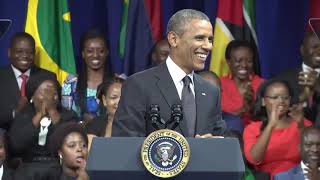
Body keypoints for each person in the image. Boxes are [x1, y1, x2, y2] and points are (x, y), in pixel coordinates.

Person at [112, 9, 226, 137]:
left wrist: (211, 145)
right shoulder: (138, 85)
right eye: (200, 38)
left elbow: (220, 144)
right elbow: (125, 143)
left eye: (210, 40)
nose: (208, 46)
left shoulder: (211, 92)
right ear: (173, 39)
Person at [9, 72, 76, 180]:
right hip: (28, 167)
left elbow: (69, 142)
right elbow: (16, 145)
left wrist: (52, 111)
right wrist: (39, 115)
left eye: (53, 93)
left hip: (58, 166)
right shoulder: (23, 116)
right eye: (44, 93)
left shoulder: (68, 115)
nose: (49, 98)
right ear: (32, 97)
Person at [243, 79, 312, 176]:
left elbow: (312, 155)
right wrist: (270, 125)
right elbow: (254, 159)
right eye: (275, 97)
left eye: (285, 98)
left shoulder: (302, 122)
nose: (281, 101)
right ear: (263, 101)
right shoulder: (252, 129)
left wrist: (300, 126)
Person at [0, 32, 56, 131]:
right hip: (6, 139)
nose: (25, 56)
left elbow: (57, 110)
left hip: (41, 140)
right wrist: (15, 112)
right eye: (19, 51)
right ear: (9, 52)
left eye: (29, 52)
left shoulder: (48, 77)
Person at [61, 29, 110, 123]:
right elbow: (66, 118)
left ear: (107, 53)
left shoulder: (119, 82)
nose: (95, 55)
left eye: (101, 51)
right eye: (90, 51)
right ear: (83, 54)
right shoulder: (71, 83)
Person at [274, 31, 320, 123]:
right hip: (293, 133)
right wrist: (301, 97)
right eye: (315, 47)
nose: (319, 51)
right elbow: (274, 109)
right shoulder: (284, 78)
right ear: (302, 50)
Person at [220, 40, 264, 127]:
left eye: (249, 61)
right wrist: (243, 110)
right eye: (238, 61)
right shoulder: (219, 84)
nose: (244, 65)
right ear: (228, 62)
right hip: (227, 135)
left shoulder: (262, 85)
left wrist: (253, 108)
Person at [86, 76, 124, 148]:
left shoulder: (137, 125)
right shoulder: (94, 125)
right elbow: (90, 154)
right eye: (113, 97)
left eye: (123, 97)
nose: (119, 102)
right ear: (104, 100)